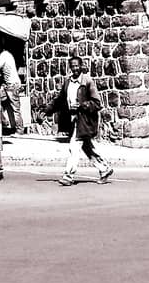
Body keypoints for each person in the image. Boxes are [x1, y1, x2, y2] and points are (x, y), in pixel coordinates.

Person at [44, 55, 112, 185]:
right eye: (72, 66)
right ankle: (105, 169)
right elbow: (59, 100)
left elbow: (97, 103)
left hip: (84, 120)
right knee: (87, 147)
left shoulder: (87, 81)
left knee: (74, 146)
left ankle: (68, 175)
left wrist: (82, 105)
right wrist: (46, 111)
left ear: (81, 66)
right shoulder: (68, 82)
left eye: (77, 66)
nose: (75, 68)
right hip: (73, 120)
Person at [0, 48, 21, 137]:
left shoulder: (3, 56)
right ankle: (4, 122)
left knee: (15, 109)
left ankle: (19, 130)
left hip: (11, 85)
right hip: (12, 84)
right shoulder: (8, 54)